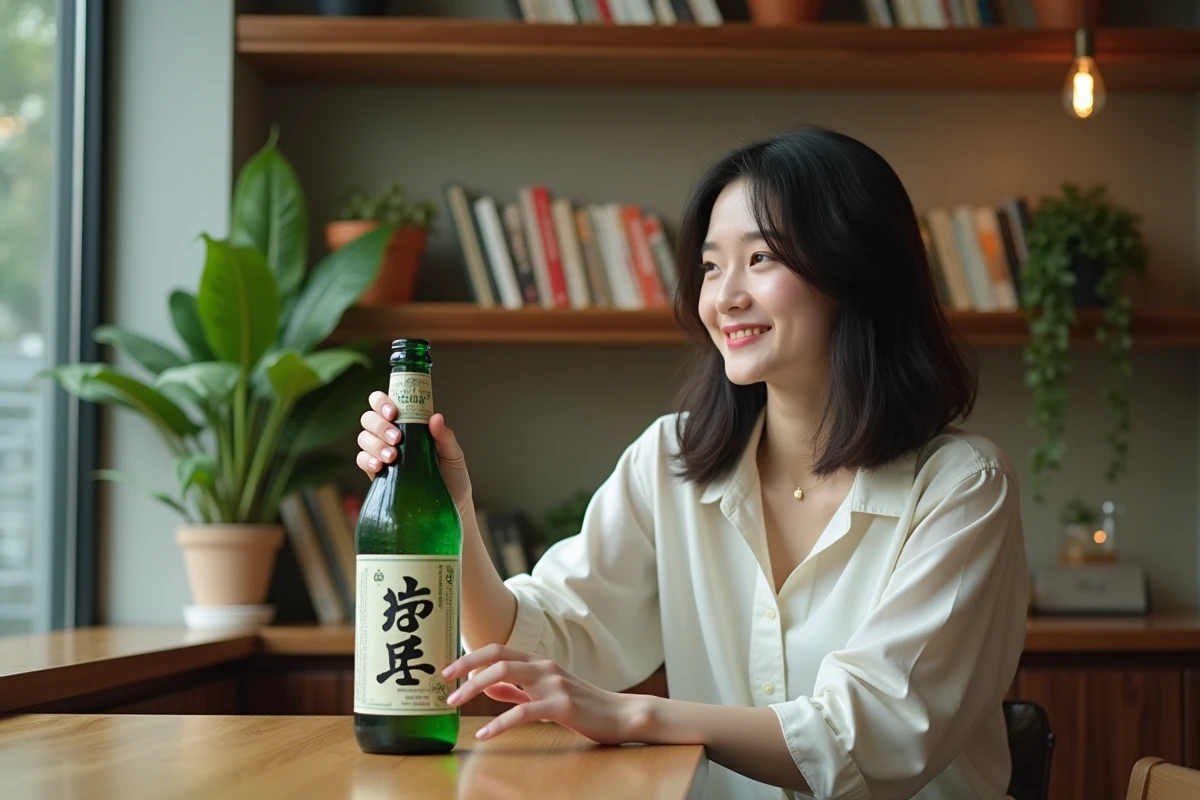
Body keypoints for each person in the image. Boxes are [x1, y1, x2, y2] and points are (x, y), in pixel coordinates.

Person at [355, 126, 1030, 800]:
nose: (724, 297)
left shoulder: (963, 487)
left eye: (761, 258)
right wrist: (456, 509)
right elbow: (546, 640)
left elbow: (872, 734)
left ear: (857, 270)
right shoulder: (669, 459)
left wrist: (634, 715)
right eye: (710, 266)